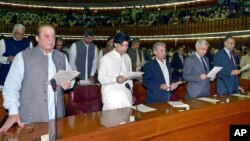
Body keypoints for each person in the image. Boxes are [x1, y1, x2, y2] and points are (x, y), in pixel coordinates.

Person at [0, 25, 74, 132]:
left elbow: (70, 78)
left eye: (53, 36)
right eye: (46, 36)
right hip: (31, 118)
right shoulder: (22, 57)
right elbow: (11, 86)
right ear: (37, 38)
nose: (51, 39)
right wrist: (13, 112)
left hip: (57, 116)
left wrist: (69, 83)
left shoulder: (62, 57)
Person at [98, 32, 133, 110]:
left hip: (127, 96)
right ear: (115, 44)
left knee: (127, 121)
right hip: (112, 97)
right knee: (112, 121)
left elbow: (129, 77)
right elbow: (101, 78)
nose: (124, 48)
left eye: (126, 46)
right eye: (122, 45)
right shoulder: (106, 58)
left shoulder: (127, 57)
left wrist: (131, 93)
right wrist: (115, 79)